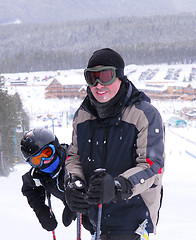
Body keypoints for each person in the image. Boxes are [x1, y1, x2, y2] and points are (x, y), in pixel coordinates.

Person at [65, 48, 165, 240]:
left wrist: (119, 186)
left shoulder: (144, 114)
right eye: (91, 77)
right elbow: (73, 157)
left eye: (105, 76)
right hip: (96, 217)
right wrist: (73, 182)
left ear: (119, 76)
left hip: (134, 216)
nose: (98, 84)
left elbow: (153, 166)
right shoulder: (83, 115)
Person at [20, 128, 94, 234]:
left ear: (55, 146)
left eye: (47, 153)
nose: (44, 161)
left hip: (106, 211)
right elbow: (29, 187)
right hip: (87, 220)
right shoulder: (39, 175)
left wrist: (74, 200)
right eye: (37, 160)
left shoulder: (75, 161)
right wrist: (40, 209)